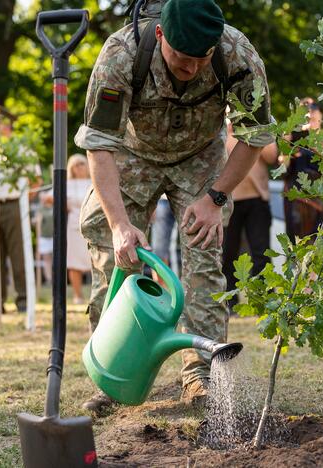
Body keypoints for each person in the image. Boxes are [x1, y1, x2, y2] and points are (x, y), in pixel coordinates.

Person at [74, 0, 272, 410]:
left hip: (200, 158)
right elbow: (98, 145)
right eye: (183, 60)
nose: (193, 69)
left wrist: (215, 198)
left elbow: (255, 136)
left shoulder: (238, 56)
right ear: (161, 35)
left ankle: (201, 376)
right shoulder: (121, 54)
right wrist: (118, 224)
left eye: (203, 60)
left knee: (203, 258)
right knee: (118, 257)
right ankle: (112, 374)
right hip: (131, 154)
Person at [0, 104, 37, 314]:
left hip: (14, 204)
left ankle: (23, 300)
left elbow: (35, 180)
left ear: (6, 124)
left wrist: (23, 200)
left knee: (18, 254)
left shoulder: (21, 147)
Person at [221, 119, 278, 312]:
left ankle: (265, 298)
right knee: (228, 253)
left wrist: (251, 130)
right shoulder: (221, 133)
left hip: (256, 199)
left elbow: (272, 156)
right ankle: (230, 300)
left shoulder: (255, 128)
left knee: (261, 251)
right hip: (229, 202)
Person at [282, 98, 323, 241]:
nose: (309, 114)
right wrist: (286, 147)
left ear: (321, 115)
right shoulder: (293, 139)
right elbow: (283, 170)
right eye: (305, 111)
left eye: (313, 109)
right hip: (300, 208)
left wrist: (317, 146)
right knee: (299, 253)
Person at [66, 154, 91, 305]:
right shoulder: (67, 184)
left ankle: (96, 294)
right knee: (74, 262)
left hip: (92, 226)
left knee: (95, 261)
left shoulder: (94, 180)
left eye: (82, 163)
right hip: (74, 226)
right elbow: (47, 198)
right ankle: (78, 295)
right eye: (75, 164)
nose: (79, 167)